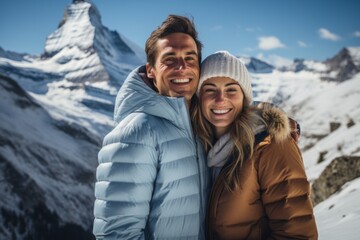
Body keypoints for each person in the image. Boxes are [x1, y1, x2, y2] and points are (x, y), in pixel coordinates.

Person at [93, 15, 209, 239]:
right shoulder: (137, 131)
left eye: (190, 58)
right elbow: (117, 234)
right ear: (151, 71)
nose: (182, 67)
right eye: (169, 59)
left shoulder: (200, 122)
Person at [193, 51, 318, 239]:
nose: (220, 99)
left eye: (231, 89)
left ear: (244, 97)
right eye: (210, 89)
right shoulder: (200, 146)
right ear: (199, 97)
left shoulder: (271, 144)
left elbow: (297, 235)